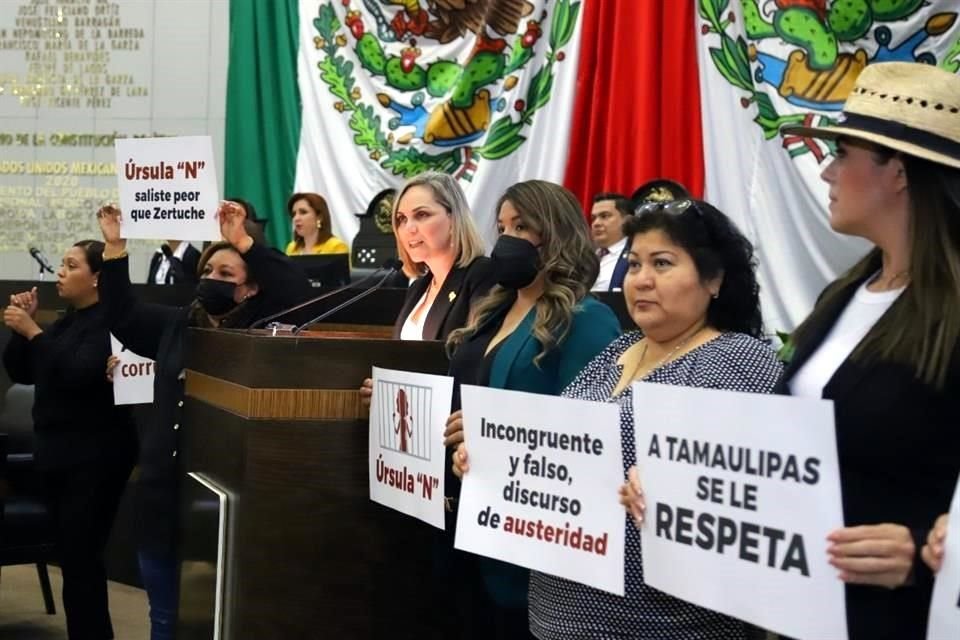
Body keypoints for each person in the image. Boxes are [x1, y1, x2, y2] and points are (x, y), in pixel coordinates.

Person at [775, 61, 960, 639]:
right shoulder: (845, 293)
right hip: (804, 612)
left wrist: (927, 550)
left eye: (844, 154)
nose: (827, 172)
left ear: (898, 173)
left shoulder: (952, 313)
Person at [96, 201, 313, 640]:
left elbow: (297, 293)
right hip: (162, 492)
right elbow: (122, 313)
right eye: (209, 270)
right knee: (163, 617)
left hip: (221, 496)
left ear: (250, 289)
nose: (212, 279)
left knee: (214, 620)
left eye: (227, 275)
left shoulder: (260, 329)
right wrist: (115, 247)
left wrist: (245, 244)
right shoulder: (178, 325)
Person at [446, 179, 622, 638]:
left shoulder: (586, 317)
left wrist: (494, 433)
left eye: (521, 226)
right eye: (502, 226)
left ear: (555, 231)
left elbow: (587, 433)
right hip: (467, 510)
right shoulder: (490, 310)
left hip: (529, 531)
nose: (506, 238)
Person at [3, 240, 137, 640]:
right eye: (62, 264)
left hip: (95, 458)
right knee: (74, 561)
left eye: (71, 265)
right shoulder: (68, 320)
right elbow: (23, 372)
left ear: (96, 277)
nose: (60, 271)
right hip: (58, 455)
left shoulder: (111, 322)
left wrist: (33, 333)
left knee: (82, 562)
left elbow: (79, 374)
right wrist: (21, 332)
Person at [589, 192, 633, 292]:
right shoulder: (585, 255)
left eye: (604, 216)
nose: (596, 223)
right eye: (593, 218)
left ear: (627, 221)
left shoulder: (634, 254)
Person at [284, 192, 349, 255]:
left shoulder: (336, 247)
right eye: (294, 214)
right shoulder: (291, 248)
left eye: (303, 212)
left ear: (319, 217)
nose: (296, 218)